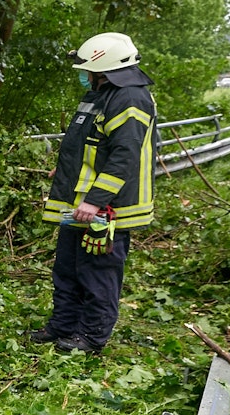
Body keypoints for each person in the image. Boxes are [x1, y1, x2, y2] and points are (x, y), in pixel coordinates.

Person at [31, 32, 156, 354]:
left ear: (106, 69)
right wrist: (67, 168)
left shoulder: (129, 98)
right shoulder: (102, 94)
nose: (85, 75)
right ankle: (64, 325)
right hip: (79, 203)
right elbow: (89, 142)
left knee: (97, 273)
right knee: (68, 267)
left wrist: (95, 200)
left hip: (106, 208)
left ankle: (91, 336)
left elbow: (123, 157)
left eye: (89, 70)